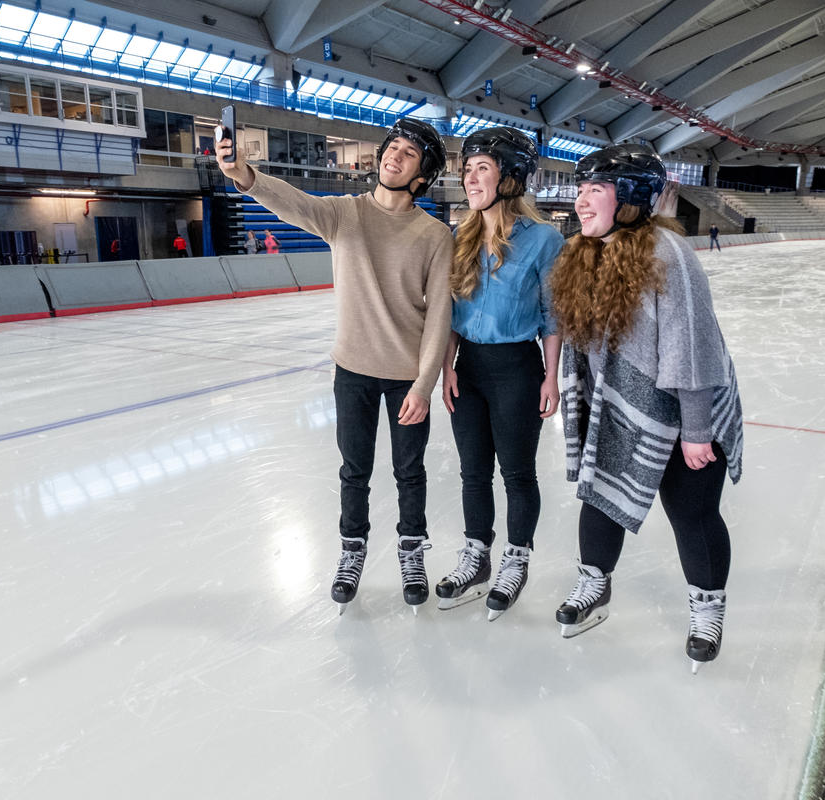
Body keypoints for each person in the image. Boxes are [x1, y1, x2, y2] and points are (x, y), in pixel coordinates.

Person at [214, 116, 453, 613]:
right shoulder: (345, 214)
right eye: (393, 147)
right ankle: (352, 550)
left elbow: (439, 319)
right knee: (354, 470)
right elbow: (292, 203)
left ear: (422, 175)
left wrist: (425, 384)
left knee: (410, 472)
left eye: (409, 154)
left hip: (407, 376)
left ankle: (412, 549)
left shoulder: (434, 235)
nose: (395, 156)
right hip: (354, 371)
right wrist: (244, 174)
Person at [548, 143, 744, 673]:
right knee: (602, 497)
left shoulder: (666, 253)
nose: (581, 202)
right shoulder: (583, 252)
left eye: (595, 190)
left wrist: (698, 429)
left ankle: (707, 608)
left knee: (692, 514)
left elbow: (690, 345)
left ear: (631, 196)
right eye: (580, 189)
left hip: (686, 411)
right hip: (622, 410)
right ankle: (594, 583)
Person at [434, 128, 564, 621]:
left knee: (516, 473)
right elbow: (447, 311)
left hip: (517, 368)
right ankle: (476, 555)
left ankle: (516, 557)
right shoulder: (458, 237)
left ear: (510, 177)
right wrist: (447, 365)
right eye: (467, 169)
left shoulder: (546, 240)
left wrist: (550, 375)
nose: (470, 177)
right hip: (469, 368)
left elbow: (553, 314)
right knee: (472, 472)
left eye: (481, 168)